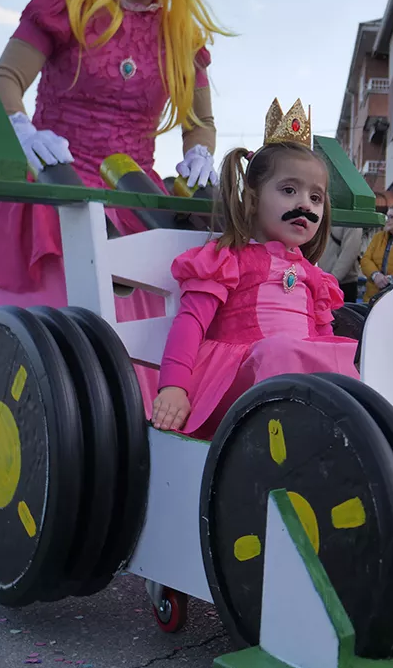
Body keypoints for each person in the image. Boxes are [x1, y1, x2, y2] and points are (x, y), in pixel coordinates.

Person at [0, 0, 226, 403]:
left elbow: (201, 120)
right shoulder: (64, 8)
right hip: (51, 196)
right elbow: (5, 81)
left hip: (132, 204)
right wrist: (21, 129)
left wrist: (199, 150)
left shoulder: (182, 35)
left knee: (130, 361)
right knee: (43, 358)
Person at [150, 103, 358, 439]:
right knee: (279, 351)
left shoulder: (314, 277)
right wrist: (174, 387)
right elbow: (190, 323)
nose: (304, 204)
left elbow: (320, 342)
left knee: (338, 358)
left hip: (292, 389)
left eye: (316, 197)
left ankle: (342, 437)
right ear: (252, 198)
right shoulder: (228, 259)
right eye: (289, 190)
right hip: (232, 386)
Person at [318, 226, 363, 304]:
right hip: (322, 281)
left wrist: (331, 280)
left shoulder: (352, 218)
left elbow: (350, 252)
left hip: (342, 284)